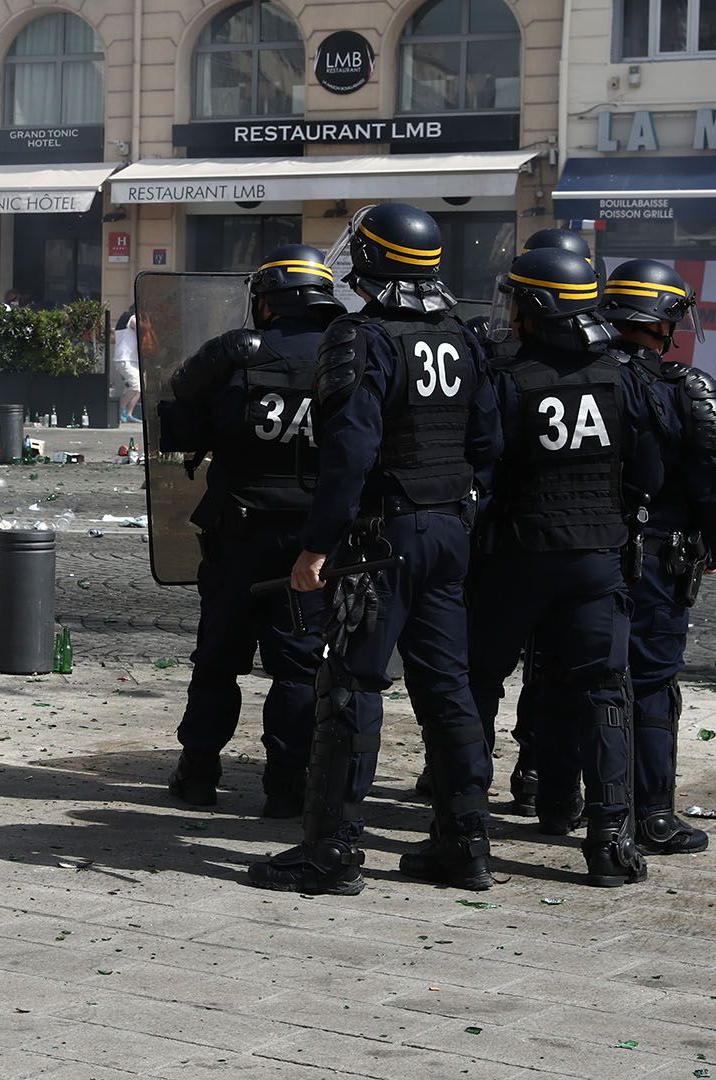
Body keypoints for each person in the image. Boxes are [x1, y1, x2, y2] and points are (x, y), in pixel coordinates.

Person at [246, 203, 501, 896]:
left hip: (381, 538)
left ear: (370, 260)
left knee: (352, 686)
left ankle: (331, 850)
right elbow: (487, 445)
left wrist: (316, 547)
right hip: (448, 531)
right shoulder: (460, 335)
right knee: (447, 686)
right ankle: (466, 842)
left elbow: (350, 451)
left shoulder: (359, 336)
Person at [467, 247, 663, 888]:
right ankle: (609, 840)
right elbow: (649, 472)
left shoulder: (504, 375)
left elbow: (485, 465)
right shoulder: (623, 373)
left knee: (478, 686)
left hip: (516, 557)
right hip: (596, 558)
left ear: (536, 308)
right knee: (604, 692)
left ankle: (464, 830)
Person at [155, 246, 346, 818]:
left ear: (267, 306)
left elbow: (182, 423)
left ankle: (198, 775)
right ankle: (286, 787)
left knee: (217, 661)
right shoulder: (348, 362)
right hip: (311, 542)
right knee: (297, 670)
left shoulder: (237, 362)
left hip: (238, 535)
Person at [603, 260, 716, 856]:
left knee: (582, 677)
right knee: (653, 683)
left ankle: (558, 798)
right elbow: (714, 482)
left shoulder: (581, 377)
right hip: (656, 560)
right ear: (667, 321)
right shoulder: (683, 387)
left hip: (585, 554)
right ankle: (653, 814)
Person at [113, 307, 142, 424]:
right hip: (124, 359)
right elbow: (140, 327)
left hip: (131, 360)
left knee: (139, 390)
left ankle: (128, 414)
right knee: (135, 387)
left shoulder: (129, 319)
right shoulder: (131, 318)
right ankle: (120, 409)